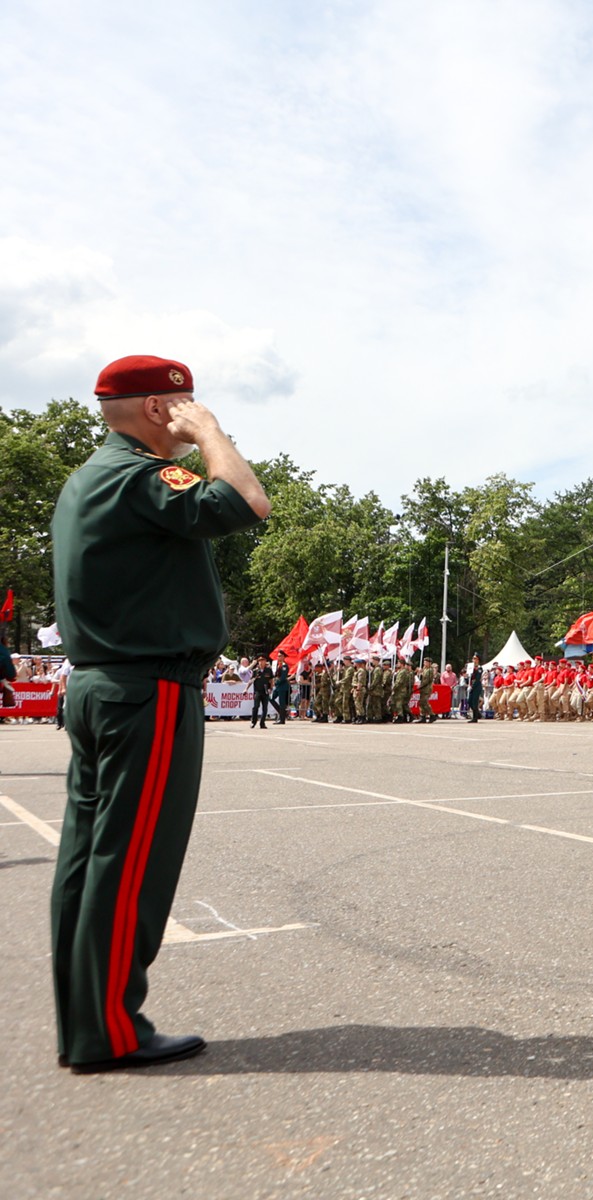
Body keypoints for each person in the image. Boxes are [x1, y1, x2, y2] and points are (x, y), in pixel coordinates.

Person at [49, 354, 271, 1072]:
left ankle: (90, 1022)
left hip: (103, 687)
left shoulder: (89, 476)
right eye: (184, 404)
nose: (190, 414)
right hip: (149, 690)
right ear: (158, 409)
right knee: (130, 863)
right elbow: (246, 502)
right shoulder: (144, 475)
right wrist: (209, 432)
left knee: (90, 861)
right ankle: (109, 1031)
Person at [249, 657, 272, 728]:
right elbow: (251, 680)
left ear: (265, 662)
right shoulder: (255, 670)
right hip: (257, 691)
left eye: (263, 660)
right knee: (256, 707)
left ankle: (262, 723)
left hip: (265, 691)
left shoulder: (268, 670)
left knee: (265, 708)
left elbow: (271, 680)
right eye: (259, 661)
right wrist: (246, 688)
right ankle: (253, 722)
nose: (261, 662)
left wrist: (270, 688)